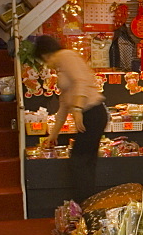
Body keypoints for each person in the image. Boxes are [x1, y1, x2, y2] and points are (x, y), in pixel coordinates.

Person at [35, 36, 108, 204]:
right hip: (90, 113)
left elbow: (80, 81)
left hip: (92, 112)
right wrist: (53, 135)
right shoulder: (61, 67)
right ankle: (88, 202)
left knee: (80, 160)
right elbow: (63, 106)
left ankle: (84, 203)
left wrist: (77, 109)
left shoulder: (65, 56)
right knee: (85, 161)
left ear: (45, 55)